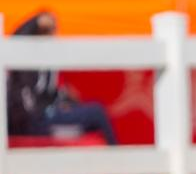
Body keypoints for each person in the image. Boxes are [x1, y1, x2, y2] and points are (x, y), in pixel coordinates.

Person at [6, 12, 119, 145]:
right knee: (97, 113)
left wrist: (66, 100)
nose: (53, 36)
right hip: (34, 123)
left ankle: (111, 155)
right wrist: (36, 21)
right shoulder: (24, 59)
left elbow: (47, 95)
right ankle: (117, 156)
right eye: (47, 32)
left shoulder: (47, 65)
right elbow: (15, 42)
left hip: (47, 117)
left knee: (93, 117)